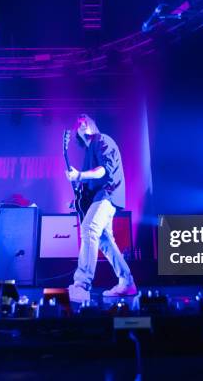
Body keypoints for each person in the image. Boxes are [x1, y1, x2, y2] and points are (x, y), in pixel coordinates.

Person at [65, 114, 137, 302]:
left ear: (93, 125)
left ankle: (82, 284)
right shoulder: (89, 153)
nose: (83, 124)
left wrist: (80, 175)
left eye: (86, 121)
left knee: (89, 229)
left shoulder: (102, 140)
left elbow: (104, 170)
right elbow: (90, 185)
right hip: (100, 196)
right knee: (105, 241)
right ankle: (127, 282)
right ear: (77, 133)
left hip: (108, 193)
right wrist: (77, 198)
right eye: (79, 124)